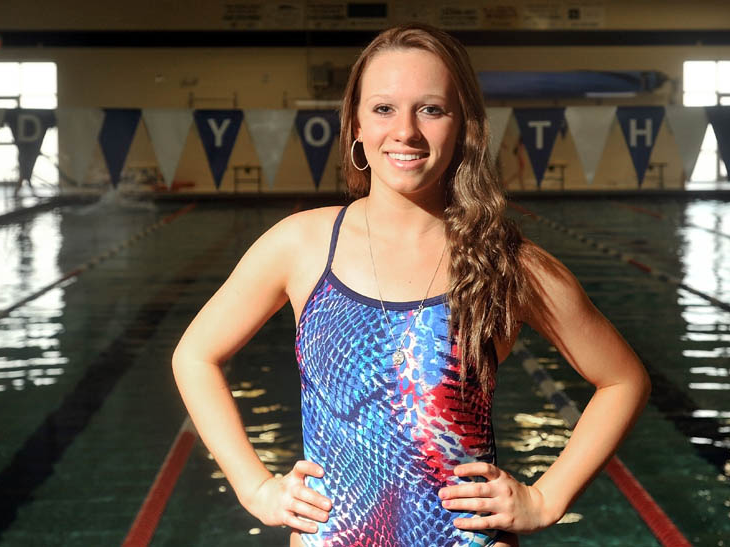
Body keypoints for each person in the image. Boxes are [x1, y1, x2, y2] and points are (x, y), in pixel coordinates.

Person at [172, 23, 651, 547]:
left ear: (464, 124)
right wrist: (255, 487)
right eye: (383, 109)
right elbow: (194, 356)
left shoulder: (504, 263)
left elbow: (623, 380)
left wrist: (545, 498)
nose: (406, 131)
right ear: (355, 122)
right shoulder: (302, 244)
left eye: (431, 109)